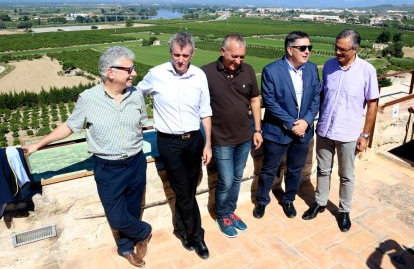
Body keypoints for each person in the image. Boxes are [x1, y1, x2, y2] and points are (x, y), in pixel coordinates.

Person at [23, 47, 152, 267]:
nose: (134, 73)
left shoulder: (136, 95)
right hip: (108, 168)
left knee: (132, 208)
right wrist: (39, 143)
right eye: (129, 69)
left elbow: (142, 121)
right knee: (117, 216)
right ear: (111, 72)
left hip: (136, 162)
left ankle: (126, 248)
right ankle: (145, 232)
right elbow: (70, 127)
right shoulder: (89, 99)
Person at [138, 32, 212, 259]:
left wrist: (208, 143)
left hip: (194, 140)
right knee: (184, 190)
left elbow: (205, 111)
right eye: (176, 54)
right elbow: (136, 92)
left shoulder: (199, 76)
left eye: (185, 55)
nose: (180, 59)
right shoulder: (156, 74)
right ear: (170, 52)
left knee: (188, 188)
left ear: (192, 54)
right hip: (169, 142)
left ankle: (181, 229)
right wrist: (140, 119)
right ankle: (197, 236)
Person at [302, 29, 380, 232]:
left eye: (343, 50)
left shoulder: (367, 71)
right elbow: (321, 96)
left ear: (355, 49)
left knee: (346, 175)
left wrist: (365, 135)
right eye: (336, 47)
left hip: (348, 133)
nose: (337, 52)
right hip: (325, 129)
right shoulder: (328, 66)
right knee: (322, 169)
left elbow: (373, 104)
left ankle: (344, 210)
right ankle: (319, 202)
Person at [253, 31, 320, 219]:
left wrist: (306, 121)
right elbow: (270, 101)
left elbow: (316, 98)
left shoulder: (312, 69)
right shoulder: (271, 70)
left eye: (309, 48)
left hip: (303, 132)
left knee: (295, 169)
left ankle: (288, 199)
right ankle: (262, 201)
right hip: (277, 132)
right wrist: (292, 123)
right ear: (290, 50)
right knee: (269, 169)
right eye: (303, 48)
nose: (307, 51)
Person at [201, 33, 263, 238]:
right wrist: (206, 141)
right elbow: (199, 109)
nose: (238, 61)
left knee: (237, 178)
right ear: (223, 51)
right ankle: (222, 214)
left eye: (241, 57)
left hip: (244, 137)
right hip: (221, 140)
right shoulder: (206, 73)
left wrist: (257, 129)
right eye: (234, 56)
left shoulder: (248, 70)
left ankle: (230, 211)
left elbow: (255, 100)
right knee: (226, 180)